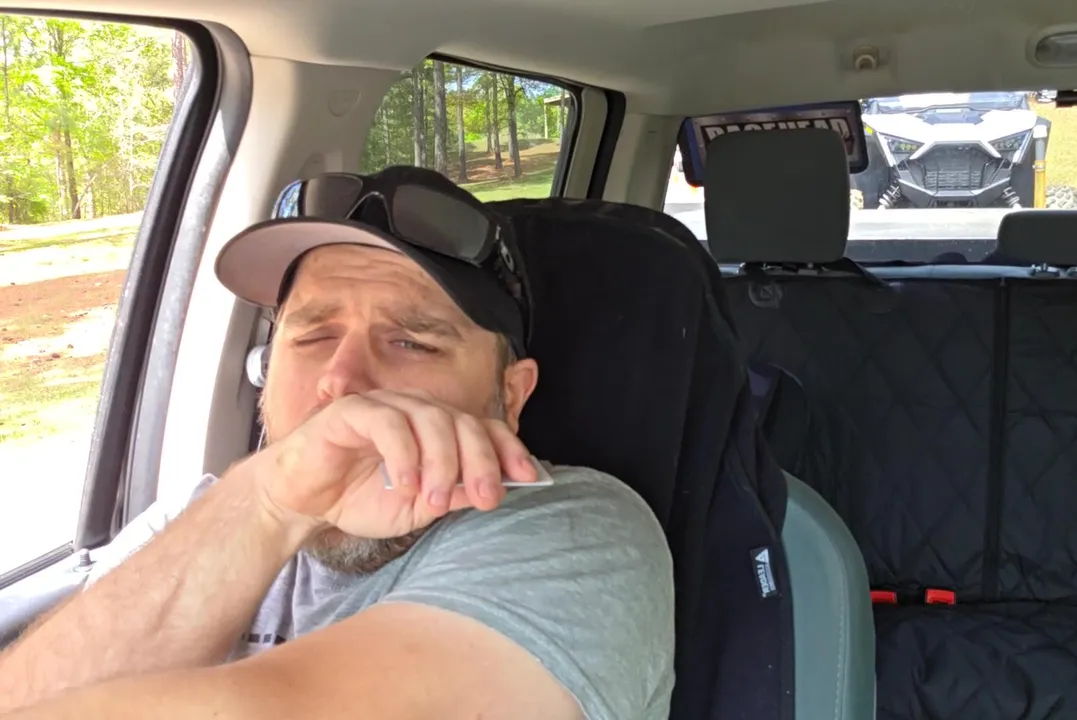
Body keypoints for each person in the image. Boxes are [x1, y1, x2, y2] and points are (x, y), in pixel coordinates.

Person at [0, 166, 676, 719]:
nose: (341, 381)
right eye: (313, 336)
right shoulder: (199, 517)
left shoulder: (576, 532)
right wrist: (270, 504)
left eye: (412, 342)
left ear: (511, 396)